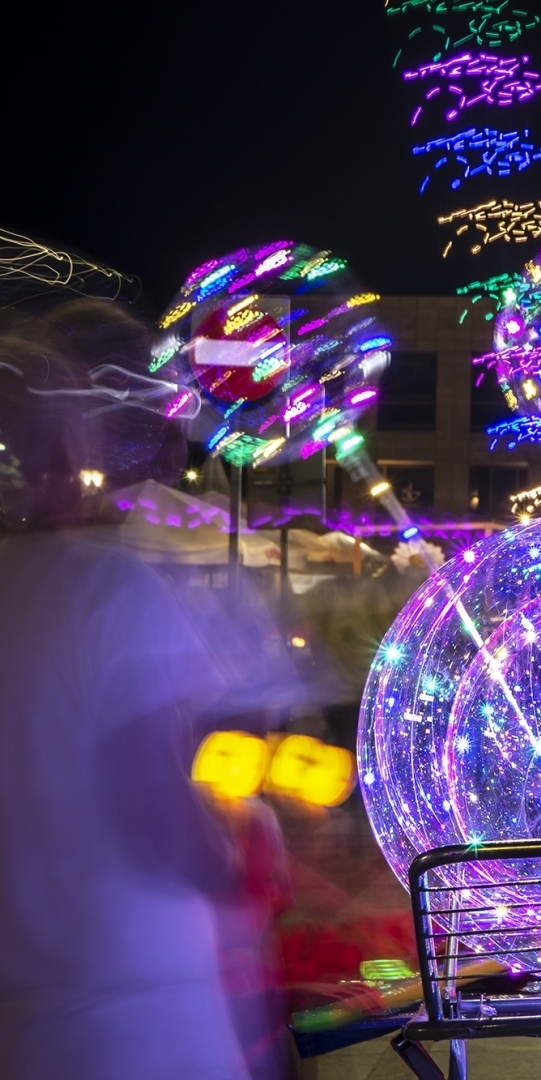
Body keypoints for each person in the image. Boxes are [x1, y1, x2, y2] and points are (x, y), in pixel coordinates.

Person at [0, 309, 270, 1078]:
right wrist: (233, 854)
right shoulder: (107, 590)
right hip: (137, 1018)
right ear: (64, 452)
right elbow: (156, 811)